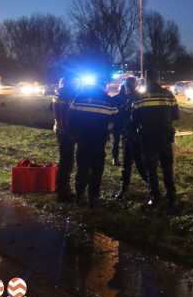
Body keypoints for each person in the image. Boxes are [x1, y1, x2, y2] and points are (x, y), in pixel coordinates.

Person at [131, 70, 179, 209]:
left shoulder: (140, 96)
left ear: (146, 79)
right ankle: (171, 197)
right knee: (167, 167)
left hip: (147, 136)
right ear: (158, 79)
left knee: (151, 168)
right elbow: (176, 115)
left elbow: (134, 118)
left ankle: (154, 197)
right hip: (164, 135)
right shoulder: (168, 95)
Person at [67, 79, 118, 208]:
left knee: (82, 167)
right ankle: (93, 198)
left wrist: (73, 133)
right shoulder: (109, 100)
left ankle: (79, 196)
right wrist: (110, 132)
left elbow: (70, 116)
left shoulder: (80, 98)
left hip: (83, 138)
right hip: (99, 140)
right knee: (97, 169)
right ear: (103, 86)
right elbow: (118, 119)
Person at [113, 76, 149, 200]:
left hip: (136, 135)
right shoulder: (126, 98)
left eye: (129, 84)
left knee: (138, 163)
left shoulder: (137, 98)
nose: (128, 87)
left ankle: (151, 187)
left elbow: (138, 117)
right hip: (128, 135)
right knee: (127, 163)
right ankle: (124, 187)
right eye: (127, 84)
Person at [49, 76, 78, 202]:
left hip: (59, 130)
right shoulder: (70, 95)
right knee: (67, 160)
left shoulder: (58, 94)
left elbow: (51, 108)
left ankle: (60, 185)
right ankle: (63, 190)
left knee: (64, 158)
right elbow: (73, 113)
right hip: (67, 131)